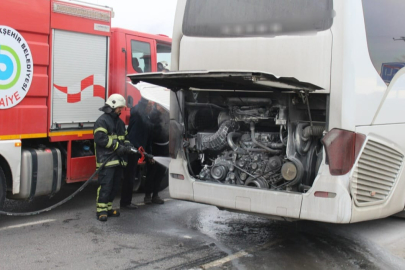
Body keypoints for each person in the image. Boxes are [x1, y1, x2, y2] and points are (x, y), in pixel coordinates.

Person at [94, 94, 133, 222]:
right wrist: (117, 147)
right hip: (106, 160)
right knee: (106, 185)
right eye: (119, 108)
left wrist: (127, 146)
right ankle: (101, 210)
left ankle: (108, 208)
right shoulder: (102, 121)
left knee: (115, 186)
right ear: (113, 106)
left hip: (118, 160)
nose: (120, 111)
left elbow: (125, 138)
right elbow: (101, 139)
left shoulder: (120, 123)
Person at [121, 97, 164, 206]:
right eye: (148, 105)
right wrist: (146, 96)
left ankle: (127, 202)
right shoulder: (137, 114)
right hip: (131, 150)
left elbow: (148, 141)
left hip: (139, 152)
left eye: (150, 106)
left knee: (131, 177)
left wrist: (149, 155)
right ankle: (125, 202)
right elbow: (140, 106)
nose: (150, 107)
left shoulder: (147, 120)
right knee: (129, 177)